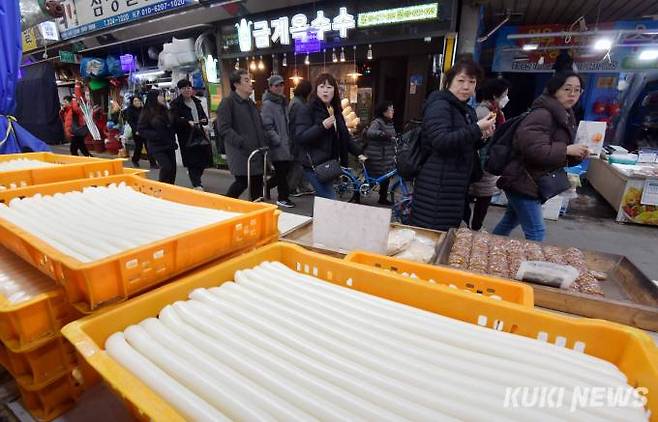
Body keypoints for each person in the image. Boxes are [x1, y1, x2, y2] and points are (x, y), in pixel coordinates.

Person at [493, 71, 588, 241]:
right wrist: (566, 150)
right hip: (522, 181)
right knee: (536, 232)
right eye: (567, 89)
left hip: (532, 181)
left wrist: (578, 153)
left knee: (509, 221)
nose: (572, 94)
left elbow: (556, 152)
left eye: (577, 90)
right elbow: (534, 150)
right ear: (554, 90)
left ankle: (488, 250)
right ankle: (533, 266)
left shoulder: (565, 114)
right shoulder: (542, 114)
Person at [410, 59, 496, 231]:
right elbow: (441, 141)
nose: (466, 86)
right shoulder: (439, 105)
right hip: (436, 187)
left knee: (447, 237)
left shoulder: (465, 109)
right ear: (449, 81)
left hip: (455, 186)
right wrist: (477, 128)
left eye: (472, 82)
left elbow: (464, 143)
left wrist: (482, 136)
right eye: (461, 80)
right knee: (431, 236)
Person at [294, 73, 364, 200]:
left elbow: (345, 137)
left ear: (334, 91)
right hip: (313, 166)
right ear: (316, 90)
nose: (325, 90)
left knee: (324, 202)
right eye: (322, 87)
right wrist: (321, 126)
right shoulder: (307, 109)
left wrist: (359, 153)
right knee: (329, 198)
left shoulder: (335, 110)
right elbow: (300, 137)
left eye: (329, 87)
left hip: (329, 165)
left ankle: (317, 219)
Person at [465, 77, 511, 231]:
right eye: (504, 95)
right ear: (494, 95)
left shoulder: (496, 111)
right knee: (480, 197)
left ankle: (474, 226)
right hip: (481, 162)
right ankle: (473, 227)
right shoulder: (483, 112)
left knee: (483, 196)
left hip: (489, 161)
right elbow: (476, 139)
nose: (506, 98)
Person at [217, 69, 267, 200]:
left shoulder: (250, 103)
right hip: (241, 153)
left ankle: (256, 213)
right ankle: (226, 205)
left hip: (256, 152)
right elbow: (223, 128)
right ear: (236, 84)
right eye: (246, 80)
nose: (251, 83)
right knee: (242, 182)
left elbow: (258, 127)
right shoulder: (228, 103)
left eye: (250, 80)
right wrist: (241, 142)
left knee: (257, 184)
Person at [170, 79, 212, 190]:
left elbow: (204, 116)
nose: (187, 90)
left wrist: (204, 120)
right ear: (179, 90)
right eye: (184, 88)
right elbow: (174, 120)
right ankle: (197, 184)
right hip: (186, 136)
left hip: (199, 133)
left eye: (189, 87)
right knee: (192, 160)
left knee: (204, 158)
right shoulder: (175, 104)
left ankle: (195, 176)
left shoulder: (197, 102)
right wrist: (186, 122)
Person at [261, 75, 295, 208]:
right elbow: (266, 126)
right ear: (270, 87)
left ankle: (268, 185)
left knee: (285, 170)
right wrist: (277, 140)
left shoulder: (282, 101)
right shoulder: (268, 104)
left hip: (286, 143)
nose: (280, 88)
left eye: (281, 85)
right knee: (282, 172)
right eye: (276, 85)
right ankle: (283, 198)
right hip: (277, 145)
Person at [138, 90, 178, 184]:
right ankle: (161, 187)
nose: (162, 97)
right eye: (159, 95)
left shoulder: (166, 109)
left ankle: (171, 188)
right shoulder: (147, 112)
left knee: (172, 169)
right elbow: (141, 129)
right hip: (157, 145)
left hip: (169, 143)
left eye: (162, 95)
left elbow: (172, 124)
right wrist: (156, 135)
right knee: (166, 166)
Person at [365, 101, 397, 206]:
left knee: (386, 178)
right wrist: (383, 134)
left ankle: (382, 198)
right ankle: (357, 193)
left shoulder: (389, 122)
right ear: (384, 112)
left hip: (386, 155)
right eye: (391, 109)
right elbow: (370, 132)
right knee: (373, 178)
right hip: (377, 156)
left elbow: (391, 136)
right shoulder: (377, 122)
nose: (393, 111)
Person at [287, 79, 314, 197]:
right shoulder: (298, 104)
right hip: (296, 138)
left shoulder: (296, 101)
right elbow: (294, 124)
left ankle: (301, 186)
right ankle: (291, 188)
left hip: (295, 138)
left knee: (299, 164)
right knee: (297, 164)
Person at [124, 96, 158, 168]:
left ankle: (153, 163)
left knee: (148, 147)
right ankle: (135, 160)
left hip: (145, 131)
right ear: (132, 102)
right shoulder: (130, 110)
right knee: (138, 147)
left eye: (138, 100)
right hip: (137, 132)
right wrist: (136, 130)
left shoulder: (143, 109)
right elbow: (130, 122)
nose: (137, 102)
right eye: (135, 101)